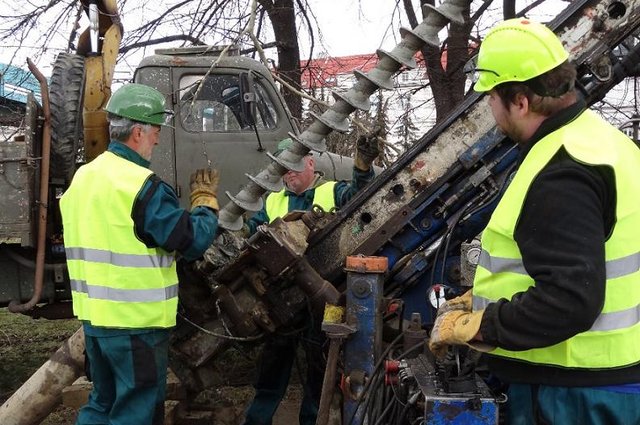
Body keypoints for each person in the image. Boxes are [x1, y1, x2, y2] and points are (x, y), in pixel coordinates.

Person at [428, 18, 640, 424]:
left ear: (521, 101)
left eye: (491, 97)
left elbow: (571, 300)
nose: (490, 107)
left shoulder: (561, 170)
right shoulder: (607, 144)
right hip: (605, 383)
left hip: (571, 394)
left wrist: (482, 326)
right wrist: (482, 299)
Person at [59, 83, 220, 425]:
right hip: (136, 326)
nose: (158, 139)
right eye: (156, 131)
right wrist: (205, 202)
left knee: (102, 404)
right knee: (137, 412)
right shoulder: (141, 185)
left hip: (96, 322)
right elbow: (192, 241)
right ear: (137, 131)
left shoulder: (82, 179)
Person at [242, 134, 379, 425]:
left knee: (319, 369)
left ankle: (311, 419)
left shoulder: (331, 191)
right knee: (272, 368)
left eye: (293, 164)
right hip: (283, 301)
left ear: (310, 163)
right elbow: (250, 236)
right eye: (284, 167)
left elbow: (360, 195)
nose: (288, 172)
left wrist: (363, 168)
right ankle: (257, 420)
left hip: (321, 299)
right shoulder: (273, 201)